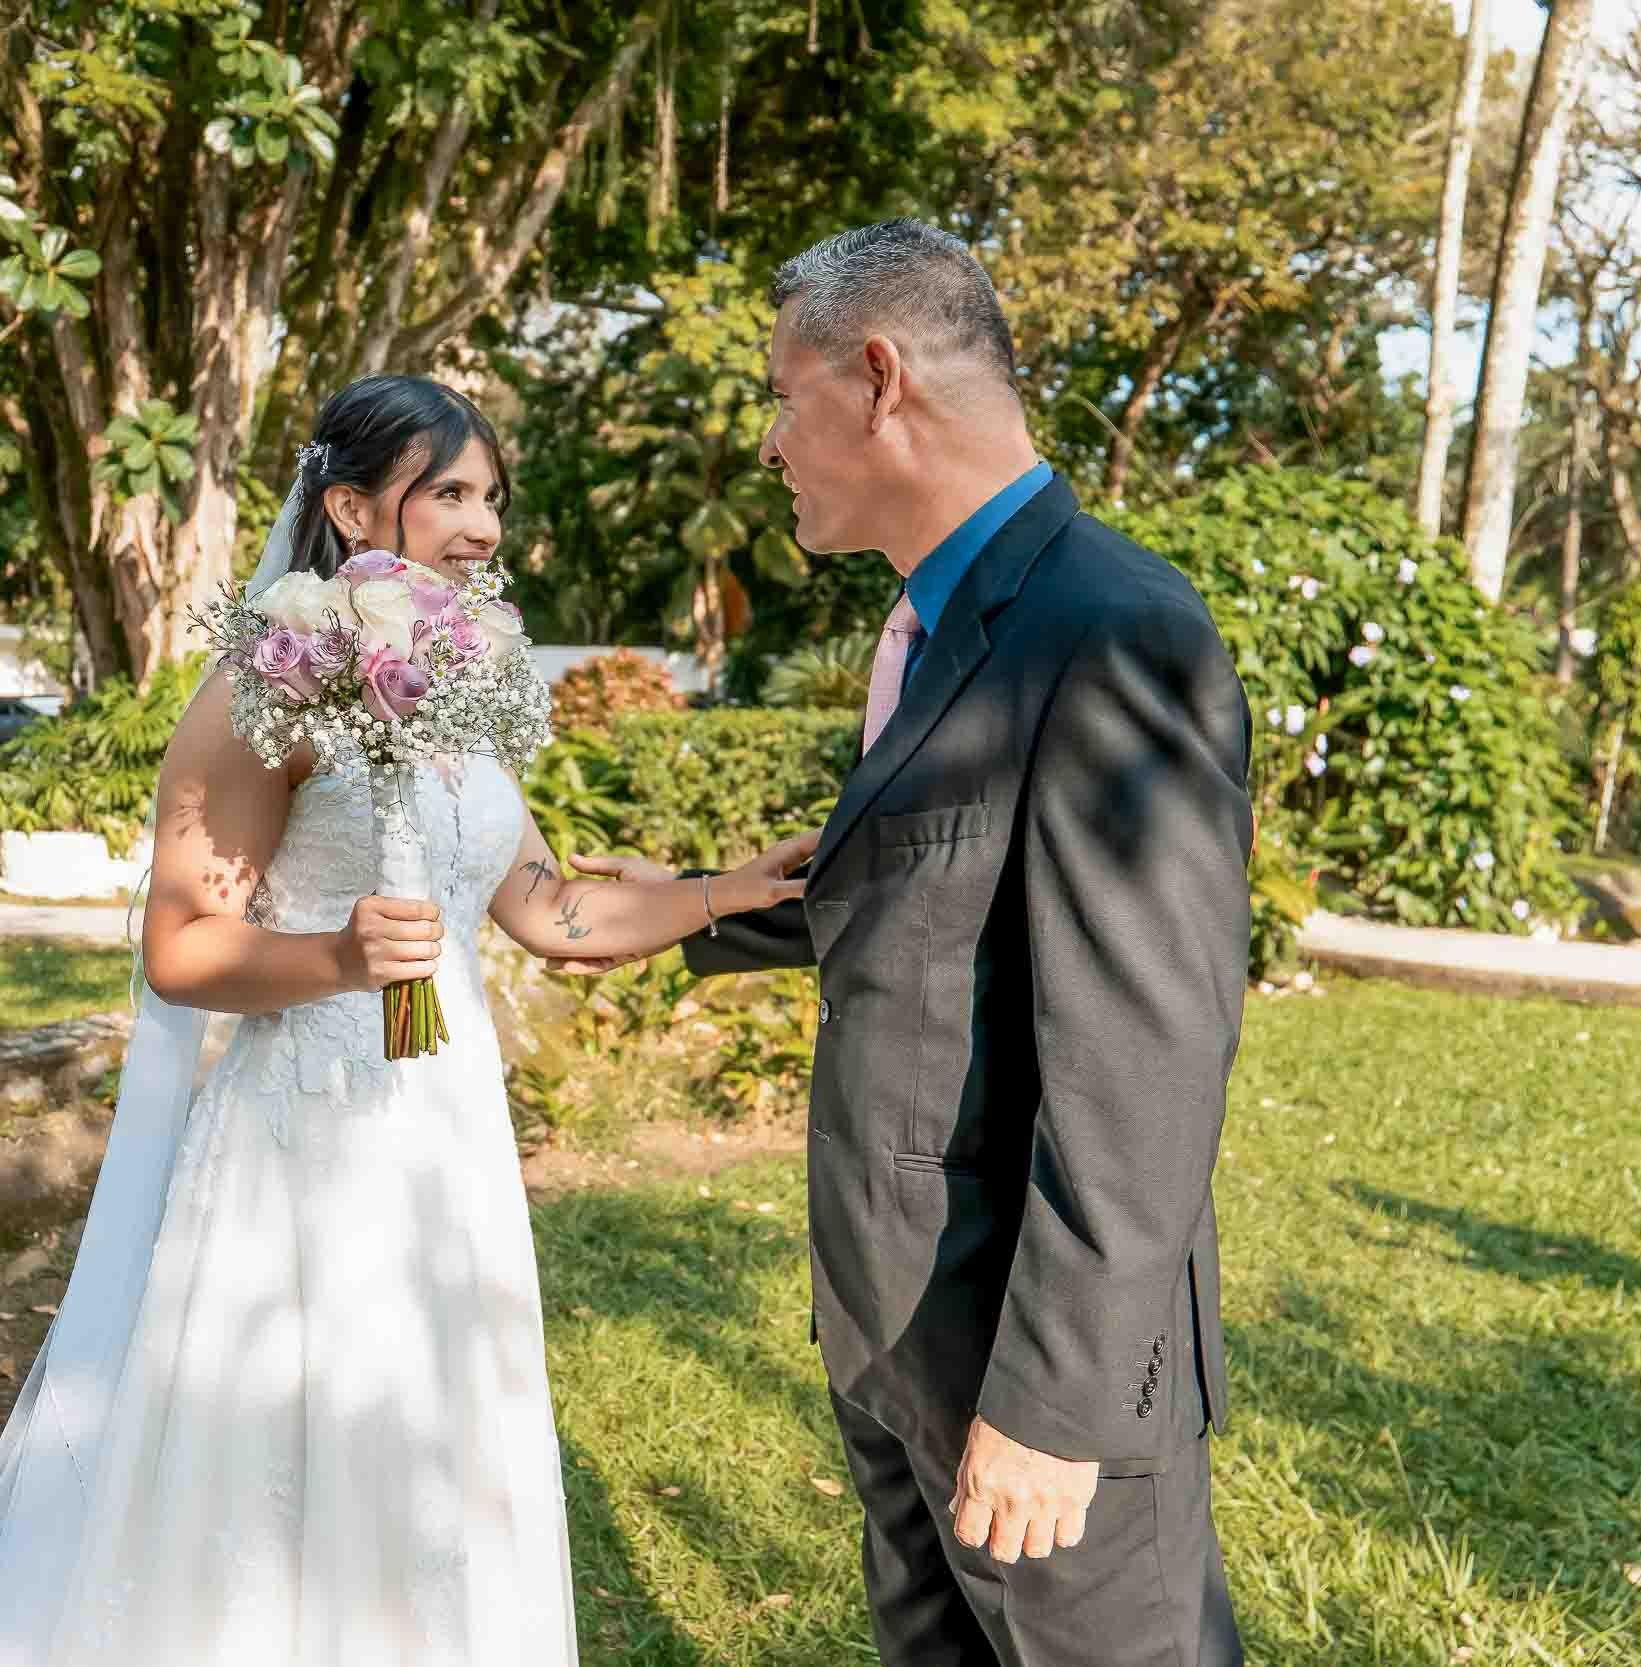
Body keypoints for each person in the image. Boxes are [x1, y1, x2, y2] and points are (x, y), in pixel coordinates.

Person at [0, 372, 815, 1667]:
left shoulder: (466, 693)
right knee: (287, 1484)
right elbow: (177, 948)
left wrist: (731, 890)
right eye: (451, 493)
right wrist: (333, 955)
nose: (485, 525)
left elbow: (547, 910)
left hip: (448, 1145)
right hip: (304, 1160)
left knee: (437, 1470)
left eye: (492, 496)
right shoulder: (257, 692)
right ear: (347, 505)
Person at [565, 220, 1254, 1667]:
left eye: (779, 394)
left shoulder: (1112, 628)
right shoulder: (930, 628)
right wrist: (693, 902)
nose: (768, 442)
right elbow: (941, 894)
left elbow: (1148, 1054)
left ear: (878, 378)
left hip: (1025, 1358)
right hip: (891, 1322)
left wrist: (1056, 1407)